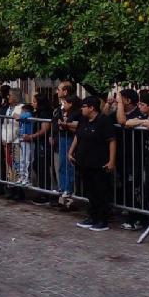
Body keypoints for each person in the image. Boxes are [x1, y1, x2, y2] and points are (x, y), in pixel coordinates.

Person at [68, 95, 116, 232]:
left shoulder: (104, 121)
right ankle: (92, 216)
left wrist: (111, 161)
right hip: (84, 160)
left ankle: (102, 219)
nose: (81, 109)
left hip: (99, 162)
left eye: (84, 107)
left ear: (91, 108)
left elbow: (111, 140)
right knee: (89, 190)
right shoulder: (83, 120)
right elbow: (78, 135)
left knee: (100, 191)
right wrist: (71, 151)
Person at [54, 94, 81, 204]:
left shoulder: (77, 113)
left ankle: (69, 189)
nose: (63, 105)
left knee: (69, 166)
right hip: (63, 138)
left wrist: (66, 124)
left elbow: (77, 126)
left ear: (71, 104)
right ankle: (62, 187)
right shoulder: (63, 112)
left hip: (70, 139)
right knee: (62, 165)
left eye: (65, 103)